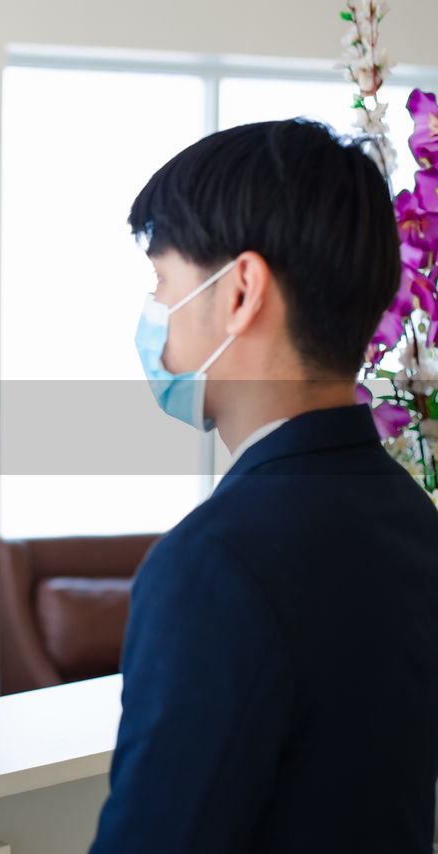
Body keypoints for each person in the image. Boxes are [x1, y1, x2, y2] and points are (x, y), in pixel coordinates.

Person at [90, 119, 438, 852]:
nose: (155, 315)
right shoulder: (413, 518)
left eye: (163, 283)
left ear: (241, 290)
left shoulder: (212, 565)